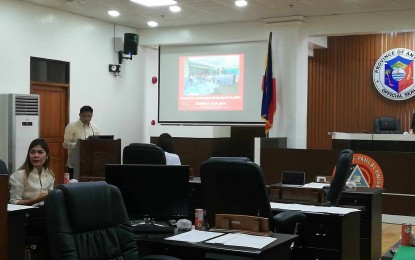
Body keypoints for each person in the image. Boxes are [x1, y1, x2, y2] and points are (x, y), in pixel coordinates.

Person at [9, 138, 55, 206]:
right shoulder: (19, 175)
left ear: (47, 156)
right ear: (29, 155)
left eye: (40, 152)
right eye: (32, 152)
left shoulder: (50, 175)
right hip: (25, 213)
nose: (36, 155)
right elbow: (14, 202)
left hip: (45, 212)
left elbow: (51, 199)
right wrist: (35, 200)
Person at [63, 105, 100, 179]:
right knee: (74, 185)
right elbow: (65, 144)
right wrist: (80, 145)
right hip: (75, 162)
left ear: (92, 116)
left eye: (88, 116)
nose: (86, 119)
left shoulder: (95, 128)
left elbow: (98, 144)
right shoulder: (71, 126)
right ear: (79, 115)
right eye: (84, 116)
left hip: (90, 163)